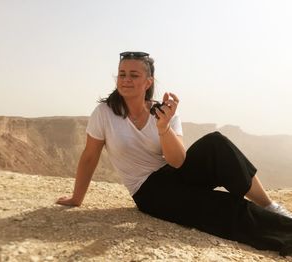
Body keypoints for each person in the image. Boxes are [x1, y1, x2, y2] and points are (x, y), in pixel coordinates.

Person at [56, 51, 292, 256]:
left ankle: (270, 206)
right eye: (122, 74)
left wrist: (163, 127)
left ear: (148, 82)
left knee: (216, 143)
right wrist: (77, 198)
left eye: (133, 75)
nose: (125, 79)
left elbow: (178, 161)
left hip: (172, 172)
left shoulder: (164, 113)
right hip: (149, 191)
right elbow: (89, 156)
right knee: (223, 207)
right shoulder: (104, 113)